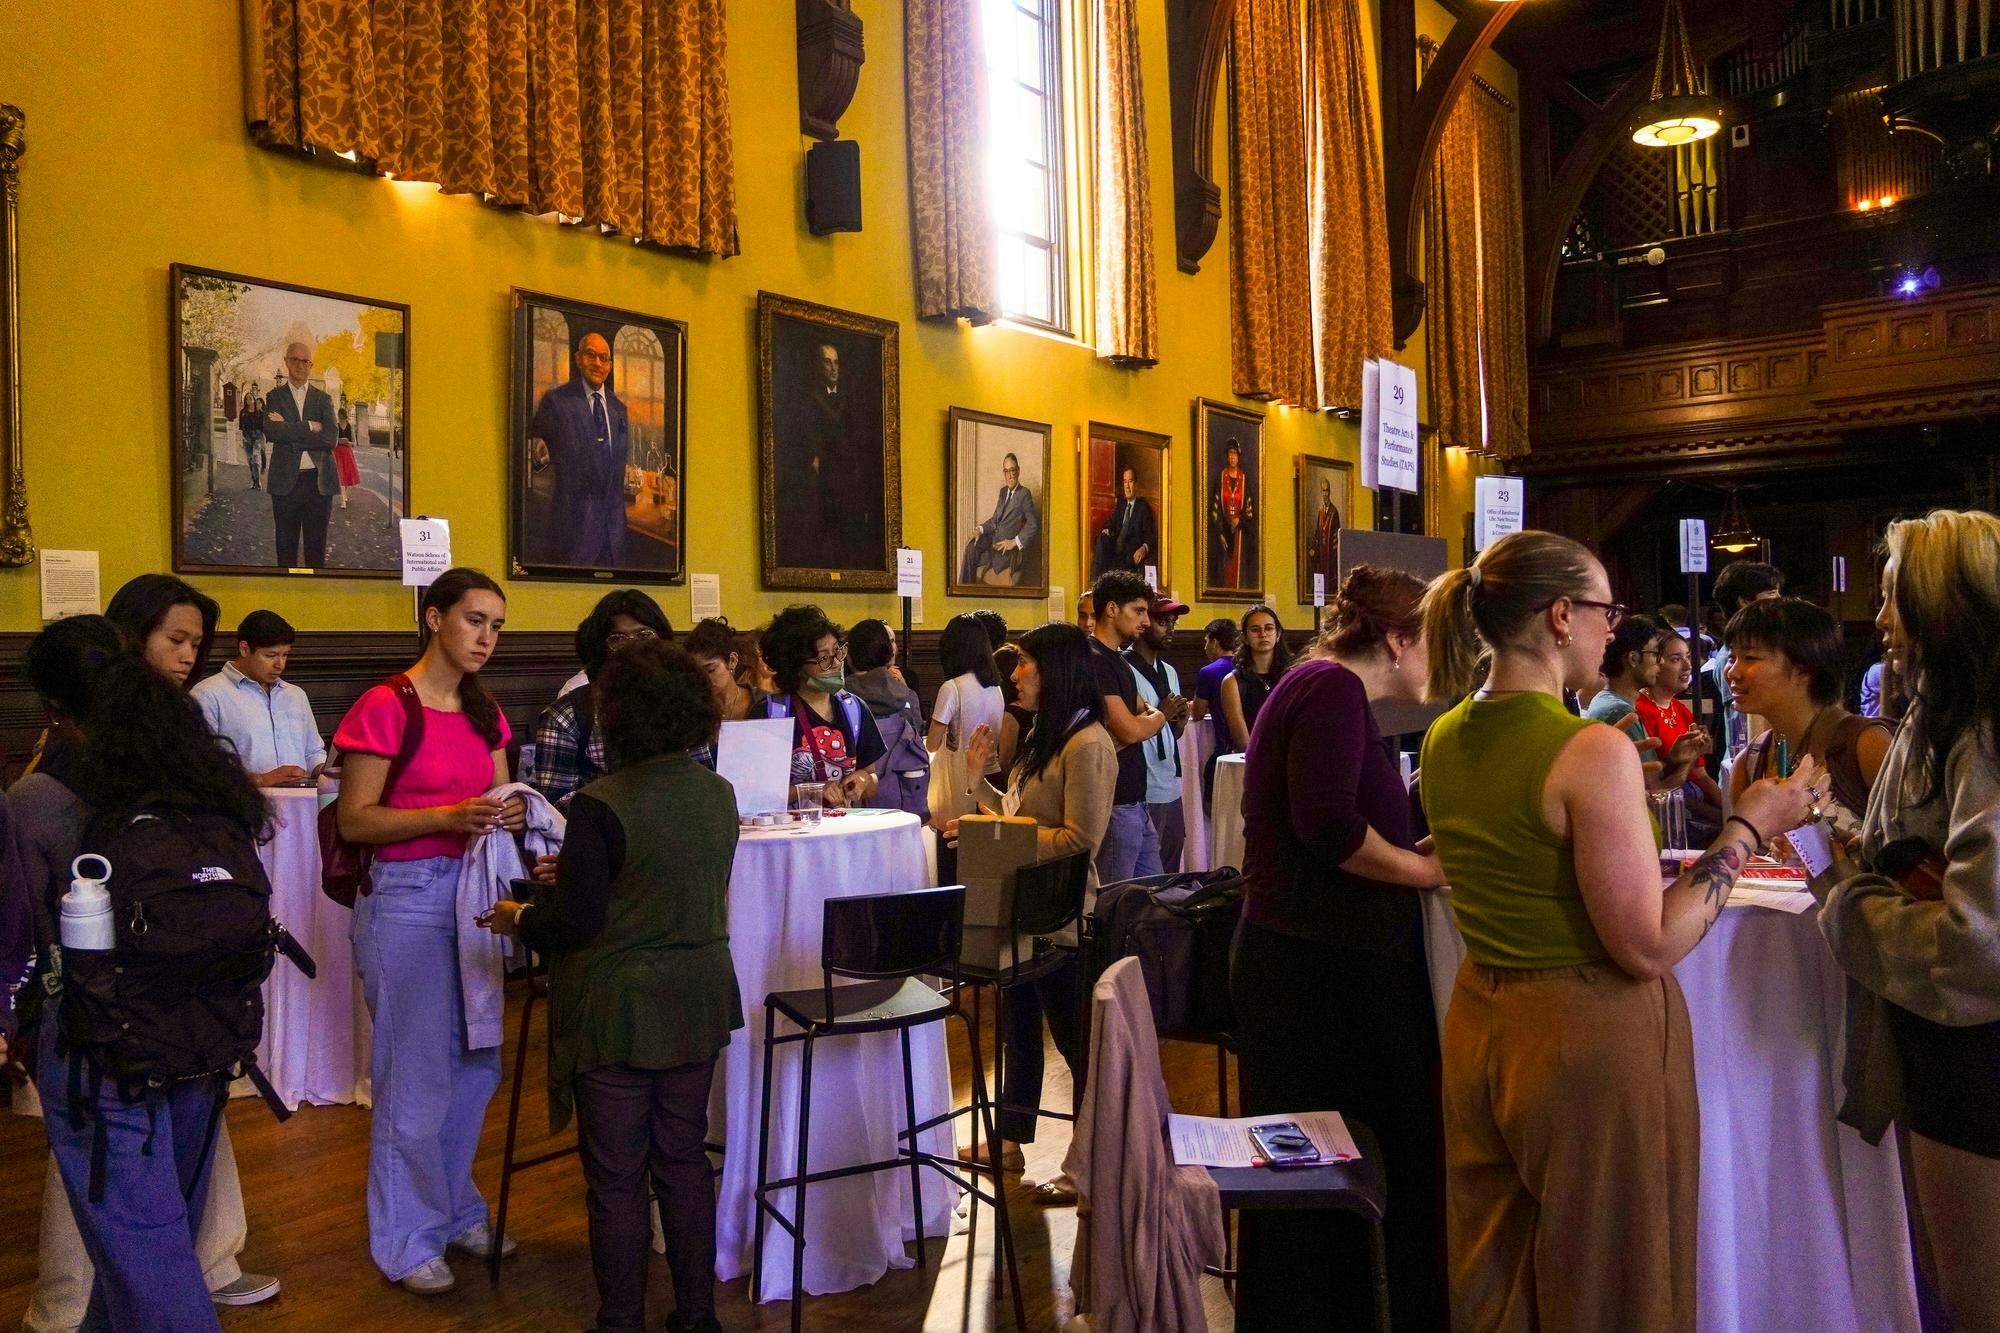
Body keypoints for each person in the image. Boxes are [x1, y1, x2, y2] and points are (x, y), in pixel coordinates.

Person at [1416, 531, 1816, 1330]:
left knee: (1497, 1281)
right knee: (1616, 1286)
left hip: (1482, 1023)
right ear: (1562, 616)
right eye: (1606, 609)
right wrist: (1748, 827)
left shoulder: (1446, 735)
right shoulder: (1587, 747)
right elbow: (1646, 943)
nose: (1613, 628)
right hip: (1583, 1040)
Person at [12, 615, 276, 1330]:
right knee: (153, 1256)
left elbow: (17, 944)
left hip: (99, 1049)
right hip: (202, 1041)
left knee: (151, 1269)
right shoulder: (206, 787)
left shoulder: (39, 801)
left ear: (57, 713)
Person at [481, 641, 738, 1333]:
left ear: (620, 716)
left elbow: (577, 921)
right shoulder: (720, 792)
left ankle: (621, 1319)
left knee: (618, 1175)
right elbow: (676, 882)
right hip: (698, 995)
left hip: (619, 1005)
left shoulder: (601, 802)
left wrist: (518, 915)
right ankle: (698, 1316)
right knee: (683, 1160)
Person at [1231, 565, 1449, 1331]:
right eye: (1433, 642)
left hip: (1314, 960)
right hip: (1316, 973)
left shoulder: (1320, 685)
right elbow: (1325, 826)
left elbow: (1337, 823)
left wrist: (1413, 847)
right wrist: (1420, 867)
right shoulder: (1330, 690)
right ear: (1396, 638)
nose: (1440, 662)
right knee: (1347, 1161)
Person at [1811, 510, 2000, 1333]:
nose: (1879, 619)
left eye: (1893, 599)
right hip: (1943, 1053)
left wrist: (1849, 901)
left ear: (1942, 608)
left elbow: (1978, 944)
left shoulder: (1982, 730)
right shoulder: (1937, 716)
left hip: (1977, 1060)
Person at [333, 568, 526, 1295]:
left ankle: (452, 1210)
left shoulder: (485, 710)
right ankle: (406, 1235)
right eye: (475, 620)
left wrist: (509, 815)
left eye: (498, 625)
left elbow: (498, 796)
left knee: (476, 1064)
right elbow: (357, 819)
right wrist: (451, 815)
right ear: (434, 618)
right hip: (408, 897)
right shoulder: (387, 703)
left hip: (475, 894)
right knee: (414, 1073)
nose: (487, 637)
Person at [954, 622, 1116, 1205]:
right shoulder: (1045, 736)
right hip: (1024, 906)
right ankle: (1010, 1141)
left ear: (1057, 672)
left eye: (1024, 663)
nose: (1014, 673)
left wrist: (1001, 836)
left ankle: (1092, 1160)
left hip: (1063, 916)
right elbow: (1023, 815)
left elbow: (1080, 839)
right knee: (1017, 1029)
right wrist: (978, 791)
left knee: (1076, 1045)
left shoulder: (1088, 743)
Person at [1725, 597, 1891, 840]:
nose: (1733, 671)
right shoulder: (1749, 763)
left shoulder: (1866, 745)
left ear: (1804, 669)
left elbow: (1912, 850)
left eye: (1750, 658)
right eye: (1732, 657)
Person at [528, 590, 673, 811]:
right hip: (600, 837)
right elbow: (553, 804)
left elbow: (702, 778)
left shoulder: (679, 704)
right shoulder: (566, 716)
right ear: (600, 649)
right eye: (618, 639)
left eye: (645, 635)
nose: (634, 647)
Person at [1087, 571, 1176, 884]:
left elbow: (1143, 711)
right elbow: (1131, 730)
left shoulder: (1118, 660)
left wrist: (1151, 716)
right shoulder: (1094, 658)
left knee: (1153, 894)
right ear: (1112, 609)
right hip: (1115, 803)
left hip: (1137, 801)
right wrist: (1161, 715)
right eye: (1138, 611)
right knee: (1115, 901)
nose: (1146, 621)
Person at [756, 606, 885, 806]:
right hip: (789, 833)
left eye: (837, 652)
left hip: (842, 830)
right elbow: (756, 790)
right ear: (796, 666)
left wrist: (863, 779)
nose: (836, 663)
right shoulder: (771, 713)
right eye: (823, 658)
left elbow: (872, 779)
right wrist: (812, 790)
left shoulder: (855, 709)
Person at [529, 331, 631, 569]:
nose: (597, 363)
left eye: (603, 358)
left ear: (610, 365)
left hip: (614, 533)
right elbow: (536, 455)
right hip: (573, 530)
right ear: (578, 359)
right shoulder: (557, 401)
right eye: (590, 355)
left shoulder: (619, 409)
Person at [191, 609, 328, 787]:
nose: (280, 664)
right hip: (243, 805)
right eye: (270, 655)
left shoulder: (295, 695)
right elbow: (200, 765)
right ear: (244, 648)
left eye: (285, 655)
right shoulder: (208, 695)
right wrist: (261, 780)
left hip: (302, 804)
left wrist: (326, 770)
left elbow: (312, 753)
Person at [1126, 591, 1190, 873]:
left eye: (1173, 621)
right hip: (1144, 786)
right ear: (1143, 622)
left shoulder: (1169, 670)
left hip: (1170, 784)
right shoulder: (1123, 669)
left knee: (1171, 868)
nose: (1171, 628)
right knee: (1145, 876)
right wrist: (1163, 712)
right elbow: (1129, 731)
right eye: (1163, 621)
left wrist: (1179, 723)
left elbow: (1170, 736)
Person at [1639, 628, 1724, 839]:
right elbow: (1660, 791)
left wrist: (1734, 815)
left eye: (1688, 657)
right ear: (1655, 664)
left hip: (1698, 807)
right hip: (1674, 815)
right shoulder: (1640, 710)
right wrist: (1724, 822)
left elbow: (1702, 776)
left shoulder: (1680, 709)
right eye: (1676, 659)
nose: (1688, 666)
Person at [263, 340, 341, 568]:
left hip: (318, 483)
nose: (300, 365)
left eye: (305, 361)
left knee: (315, 551)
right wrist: (308, 425)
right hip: (285, 484)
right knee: (285, 548)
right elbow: (272, 431)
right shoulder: (274, 397)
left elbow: (331, 438)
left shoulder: (323, 399)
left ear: (311, 365)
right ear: (286, 362)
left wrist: (290, 432)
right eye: (295, 360)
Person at [847, 617, 931, 818]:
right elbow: (918, 729)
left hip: (856, 794)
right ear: (888, 652)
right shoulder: (904, 692)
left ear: (849, 655)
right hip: (903, 792)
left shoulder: (841, 698)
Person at [1707, 560, 1785, 755]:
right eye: (1772, 594)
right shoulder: (1731, 658)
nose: (1779, 600)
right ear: (1745, 602)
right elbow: (1740, 724)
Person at [929, 613, 1005, 787]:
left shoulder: (952, 687)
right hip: (994, 776)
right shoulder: (995, 686)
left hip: (963, 779)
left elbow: (932, 745)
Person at [960, 452, 1041, 587]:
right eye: (1007, 471)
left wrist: (1014, 542)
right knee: (970, 548)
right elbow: (995, 520)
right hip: (992, 540)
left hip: (1005, 549)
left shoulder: (1024, 494)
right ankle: (962, 590)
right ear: (1004, 473)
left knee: (978, 554)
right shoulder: (1003, 492)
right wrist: (979, 530)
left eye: (1013, 470)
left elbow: (1033, 525)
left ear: (1018, 471)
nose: (1011, 475)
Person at [1220, 603, 1293, 752]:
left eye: (1269, 628)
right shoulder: (1232, 681)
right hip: (1249, 761)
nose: (1263, 634)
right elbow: (1242, 741)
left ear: (1278, 634)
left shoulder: (1291, 676)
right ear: (1245, 638)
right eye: (1255, 629)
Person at [1090, 466, 1157, 578]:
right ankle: (1095, 582)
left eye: (1130, 481)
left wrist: (1143, 548)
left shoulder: (1143, 507)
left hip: (1129, 556)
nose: (1127, 486)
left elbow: (1151, 536)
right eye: (1125, 482)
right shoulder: (1121, 505)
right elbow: (1110, 523)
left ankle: (1099, 581)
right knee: (1101, 538)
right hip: (1115, 553)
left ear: (1136, 485)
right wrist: (1107, 529)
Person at [1208, 442, 1253, 589]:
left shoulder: (1244, 479)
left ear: (1238, 457)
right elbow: (1215, 508)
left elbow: (1249, 509)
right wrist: (1220, 532)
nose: (1232, 457)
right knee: (1224, 568)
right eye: (1230, 454)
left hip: (1239, 532)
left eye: (1235, 454)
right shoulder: (1221, 478)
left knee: (1238, 567)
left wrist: (1239, 520)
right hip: (1224, 529)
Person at [1195, 617, 1238, 752]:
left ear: (1214, 642)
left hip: (1225, 745)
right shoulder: (1246, 667)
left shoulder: (1208, 672)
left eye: (1206, 642)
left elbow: (1197, 713)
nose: (1205, 647)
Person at [1307, 475, 1339, 593]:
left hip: (1330, 555)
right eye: (1323, 491)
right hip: (1321, 553)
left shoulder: (1334, 512)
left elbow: (1336, 536)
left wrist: (1334, 554)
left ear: (1329, 492)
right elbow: (1317, 532)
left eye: (1327, 490)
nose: (1325, 494)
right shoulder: (1320, 511)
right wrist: (1313, 548)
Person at [238, 385, 266, 491]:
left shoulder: (260, 413)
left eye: (250, 398)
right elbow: (241, 427)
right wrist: (242, 440)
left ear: (254, 400)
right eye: (246, 399)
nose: (248, 401)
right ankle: (254, 480)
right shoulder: (243, 413)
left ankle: (258, 481)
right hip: (247, 438)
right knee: (249, 461)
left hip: (257, 437)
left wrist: (262, 440)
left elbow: (263, 428)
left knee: (255, 459)